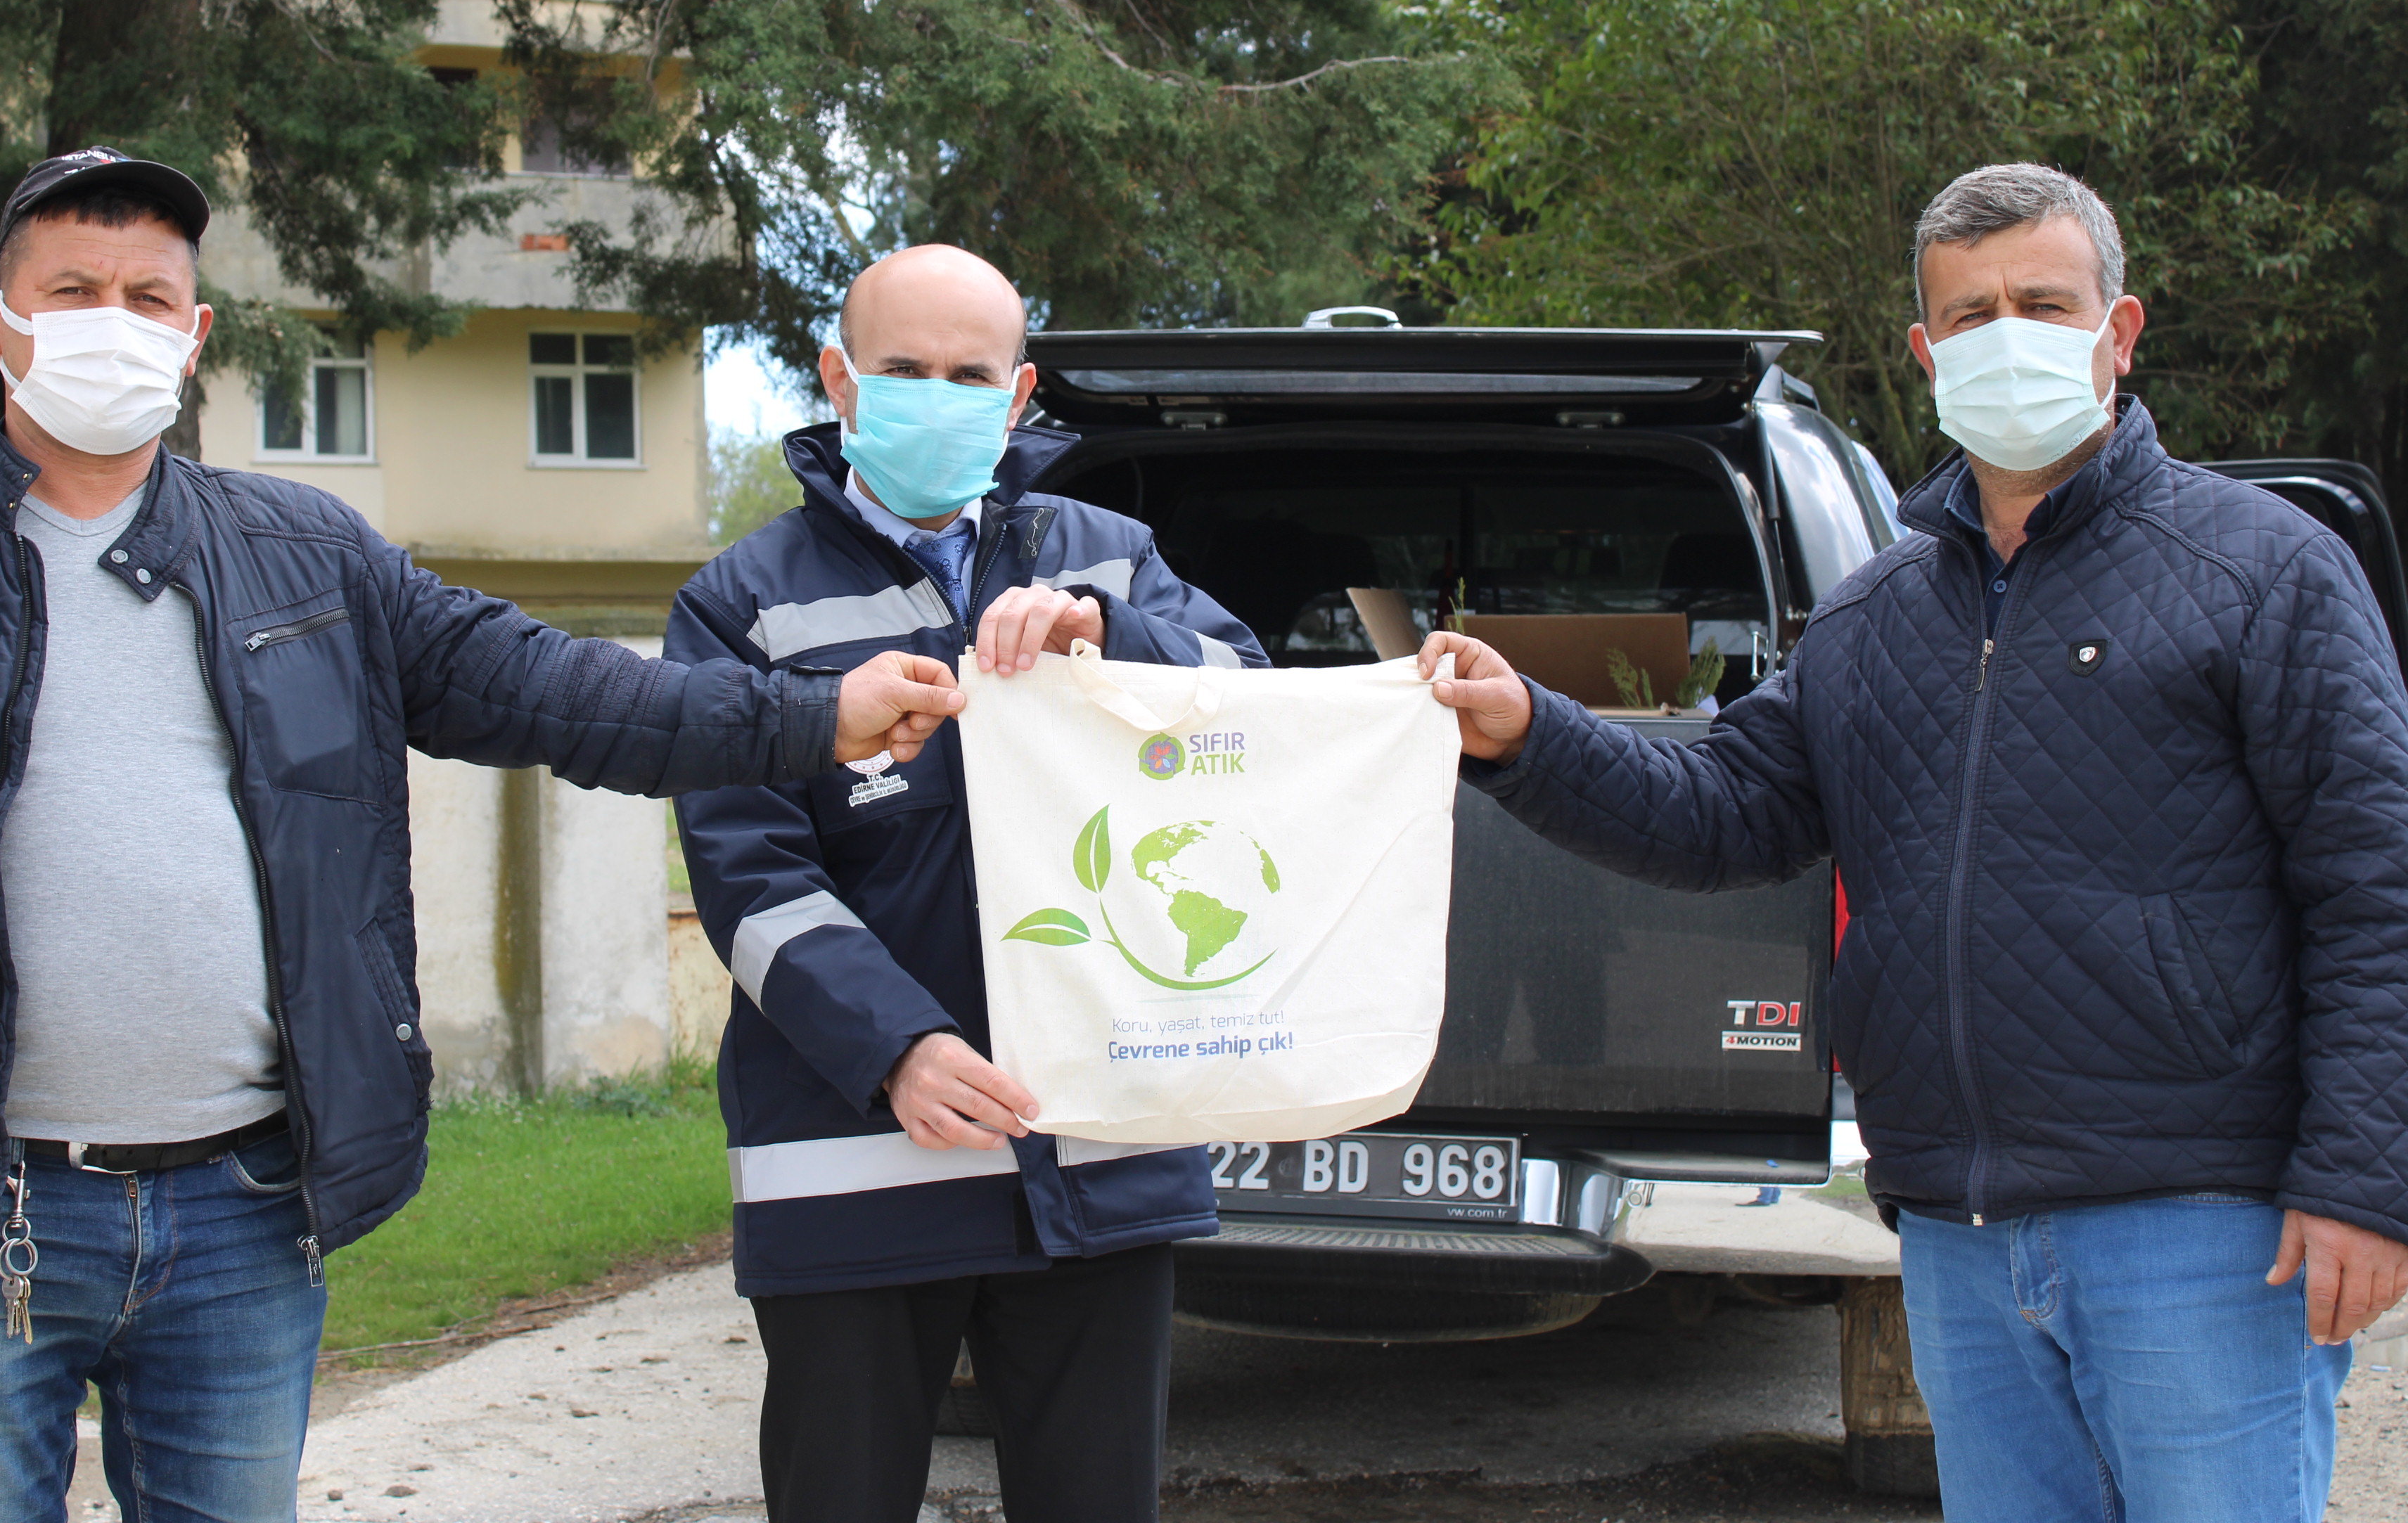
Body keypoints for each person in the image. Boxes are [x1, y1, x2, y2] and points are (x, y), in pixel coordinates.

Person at [0, 148, 964, 1523]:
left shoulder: (311, 554)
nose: (116, 315)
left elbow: (556, 687)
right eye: (76, 287)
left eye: (148, 294)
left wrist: (809, 716)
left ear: (194, 332)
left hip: (240, 1211)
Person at [1419, 162, 2408, 1520]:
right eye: (1974, 311)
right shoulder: (1878, 613)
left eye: (2046, 305)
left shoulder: (2267, 570)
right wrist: (1530, 730)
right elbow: (1724, 813)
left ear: (2119, 333)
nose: (2010, 336)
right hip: (1956, 1239)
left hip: (2203, 1232)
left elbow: (2375, 888)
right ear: (1926, 351)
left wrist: (2363, 1182)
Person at [666, 245, 1266, 1523]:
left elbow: (1253, 713)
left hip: (1096, 1156)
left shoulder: (1111, 560)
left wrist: (1117, 642)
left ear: (1018, 393)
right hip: (854, 1169)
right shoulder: (741, 610)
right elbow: (750, 876)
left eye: (968, 374)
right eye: (901, 371)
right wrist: (893, 1047)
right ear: (838, 379)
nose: (937, 396)